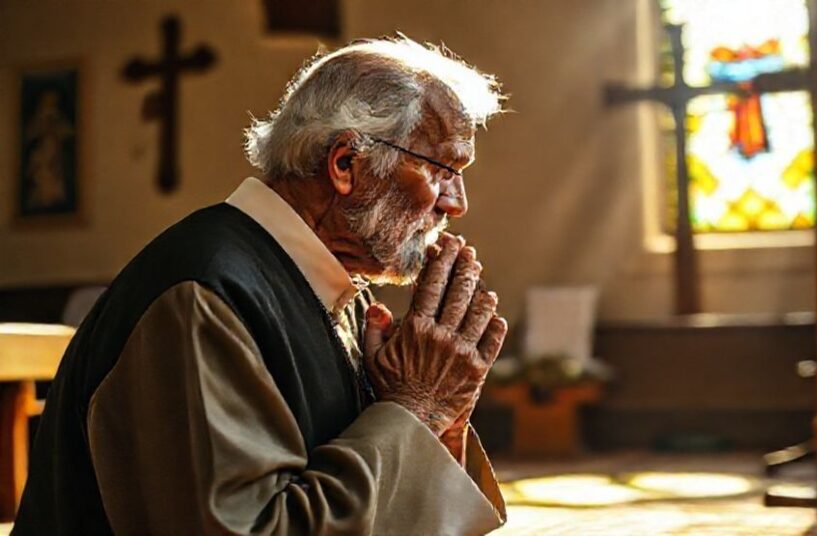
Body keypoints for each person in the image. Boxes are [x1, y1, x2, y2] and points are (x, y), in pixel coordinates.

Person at [14, 37, 508, 535]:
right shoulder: (203, 295)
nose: (455, 203)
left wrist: (440, 423)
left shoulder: (340, 294)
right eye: (443, 170)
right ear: (345, 165)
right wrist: (413, 410)